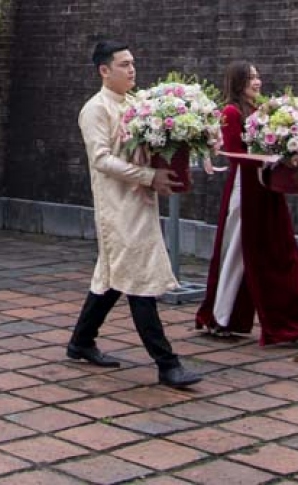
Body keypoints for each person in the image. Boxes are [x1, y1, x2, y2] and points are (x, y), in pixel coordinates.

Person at [67, 41, 204, 388]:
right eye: (124, 64)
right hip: (116, 207)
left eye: (132, 63)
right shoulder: (95, 109)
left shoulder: (136, 104)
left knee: (114, 276)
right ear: (104, 70)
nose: (132, 70)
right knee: (139, 279)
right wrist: (148, 176)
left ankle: (81, 341)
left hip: (141, 200)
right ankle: (167, 363)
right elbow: (101, 159)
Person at [195, 60, 298, 346]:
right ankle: (221, 317)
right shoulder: (231, 112)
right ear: (238, 81)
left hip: (267, 189)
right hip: (246, 190)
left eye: (258, 76)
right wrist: (272, 158)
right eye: (251, 77)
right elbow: (234, 154)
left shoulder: (263, 111)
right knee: (237, 254)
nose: (257, 81)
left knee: (279, 253)